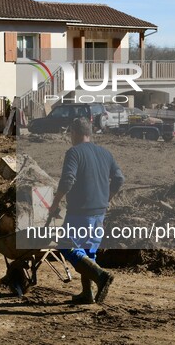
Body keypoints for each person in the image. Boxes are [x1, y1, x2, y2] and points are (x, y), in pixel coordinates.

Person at [48, 117, 125, 304]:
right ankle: (87, 293)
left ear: (74, 133)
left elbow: (67, 180)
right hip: (99, 212)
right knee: (88, 252)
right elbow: (119, 179)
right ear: (89, 133)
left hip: (80, 212)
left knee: (67, 247)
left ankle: (101, 276)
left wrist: (56, 202)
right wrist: (107, 198)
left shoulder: (74, 153)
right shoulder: (105, 153)